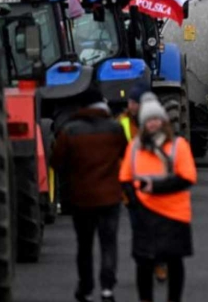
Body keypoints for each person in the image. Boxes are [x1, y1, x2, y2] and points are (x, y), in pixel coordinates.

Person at [51, 89, 128, 302]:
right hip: (111, 197)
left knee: (84, 246)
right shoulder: (115, 129)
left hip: (82, 198)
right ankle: (107, 289)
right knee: (108, 243)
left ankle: (85, 288)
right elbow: (126, 155)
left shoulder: (71, 131)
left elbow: (56, 162)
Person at [120, 94, 197, 302]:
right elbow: (125, 178)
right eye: (149, 120)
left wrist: (155, 187)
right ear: (144, 124)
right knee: (143, 262)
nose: (153, 123)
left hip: (174, 214)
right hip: (145, 213)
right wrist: (135, 203)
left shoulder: (178, 146)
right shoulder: (135, 148)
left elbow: (188, 177)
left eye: (157, 119)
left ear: (164, 121)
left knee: (174, 261)